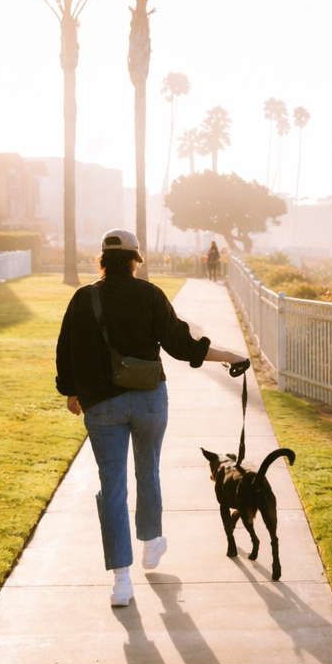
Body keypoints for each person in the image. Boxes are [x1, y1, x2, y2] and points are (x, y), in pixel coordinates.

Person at [56, 229, 248, 606]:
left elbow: (66, 347)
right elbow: (181, 346)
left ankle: (121, 582)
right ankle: (151, 543)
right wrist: (228, 355)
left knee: (111, 487)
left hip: (102, 406)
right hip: (148, 401)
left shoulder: (83, 298)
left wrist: (71, 391)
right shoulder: (150, 295)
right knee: (148, 471)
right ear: (133, 261)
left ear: (102, 261)